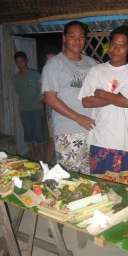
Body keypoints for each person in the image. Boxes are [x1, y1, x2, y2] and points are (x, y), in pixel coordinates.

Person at [79, 25, 128, 186]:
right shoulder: (96, 70)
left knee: (123, 189)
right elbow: (86, 102)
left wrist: (101, 93)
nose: (116, 50)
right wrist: (118, 97)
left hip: (122, 140)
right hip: (98, 138)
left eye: (122, 46)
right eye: (113, 44)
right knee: (99, 187)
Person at [41, 21, 98, 174]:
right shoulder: (55, 64)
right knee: (69, 177)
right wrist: (78, 117)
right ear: (64, 38)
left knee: (91, 176)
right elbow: (50, 98)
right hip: (68, 130)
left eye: (81, 36)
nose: (77, 40)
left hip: (93, 130)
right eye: (72, 36)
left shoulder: (92, 63)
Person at [13, 51, 45, 161]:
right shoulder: (15, 78)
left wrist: (41, 107)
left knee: (38, 130)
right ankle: (31, 153)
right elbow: (18, 92)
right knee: (27, 130)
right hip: (23, 108)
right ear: (16, 63)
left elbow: (41, 91)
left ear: (26, 61)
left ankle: (41, 154)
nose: (20, 64)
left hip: (36, 107)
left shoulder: (35, 74)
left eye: (22, 61)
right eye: (18, 62)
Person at [42, 45, 61, 165]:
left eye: (52, 59)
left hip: (64, 114)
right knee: (52, 140)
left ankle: (52, 163)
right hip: (52, 114)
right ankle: (46, 164)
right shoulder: (45, 75)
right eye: (48, 60)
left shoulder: (61, 74)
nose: (50, 63)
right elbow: (43, 98)